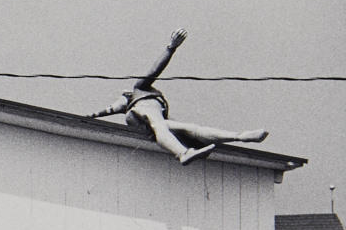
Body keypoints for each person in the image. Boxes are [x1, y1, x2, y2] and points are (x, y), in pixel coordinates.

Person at [88, 28, 268, 165]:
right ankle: (182, 153)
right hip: (145, 112)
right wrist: (170, 48)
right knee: (159, 124)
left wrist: (92, 116)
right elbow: (153, 71)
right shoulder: (139, 90)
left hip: (148, 120)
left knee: (190, 128)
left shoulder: (139, 102)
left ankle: (239, 136)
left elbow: (109, 110)